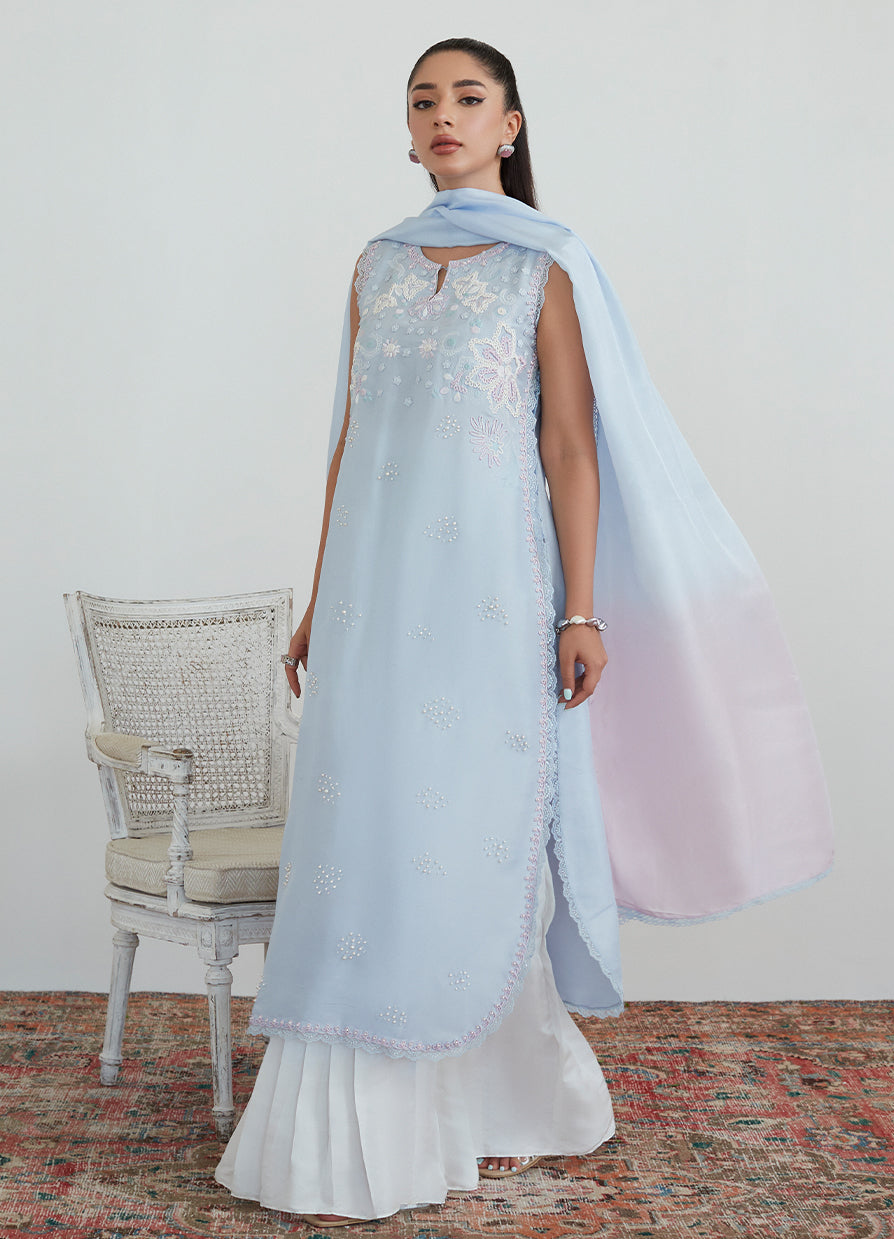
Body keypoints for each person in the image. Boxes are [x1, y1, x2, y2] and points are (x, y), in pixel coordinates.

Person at [214, 36, 834, 1228]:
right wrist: (320, 597)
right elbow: (351, 443)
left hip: (492, 601)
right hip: (371, 605)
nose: (442, 116)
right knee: (367, 827)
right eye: (423, 102)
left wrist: (580, 607)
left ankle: (496, 1092)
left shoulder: (546, 266)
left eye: (468, 98)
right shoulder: (377, 264)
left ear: (510, 126)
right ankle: (371, 1091)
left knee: (465, 829)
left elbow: (569, 445)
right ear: (407, 133)